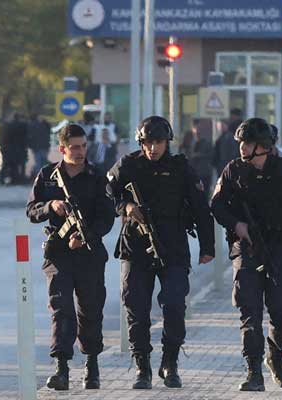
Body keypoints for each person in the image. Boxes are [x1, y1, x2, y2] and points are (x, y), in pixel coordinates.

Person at [210, 117, 282, 392]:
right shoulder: (233, 171)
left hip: (280, 246)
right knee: (249, 309)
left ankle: (276, 353)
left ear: (264, 146)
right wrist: (237, 224)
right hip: (246, 248)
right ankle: (253, 371)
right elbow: (217, 205)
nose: (242, 149)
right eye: (241, 143)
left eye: (247, 144)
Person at [106, 116, 215, 390]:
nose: (153, 148)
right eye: (148, 143)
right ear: (140, 142)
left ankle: (170, 362)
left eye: (159, 143)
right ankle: (142, 366)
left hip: (173, 246)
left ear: (168, 142)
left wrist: (207, 246)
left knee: (175, 305)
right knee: (136, 307)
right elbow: (108, 191)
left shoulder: (181, 168)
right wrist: (126, 206)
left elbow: (201, 207)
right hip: (136, 246)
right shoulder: (129, 165)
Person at [27, 123, 115, 391]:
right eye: (74, 147)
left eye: (83, 146)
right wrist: (50, 206)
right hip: (58, 254)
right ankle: (61, 368)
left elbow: (107, 216)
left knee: (90, 310)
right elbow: (31, 211)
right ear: (62, 149)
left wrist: (87, 236)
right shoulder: (47, 176)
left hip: (88, 253)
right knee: (61, 309)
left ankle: (92, 366)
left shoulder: (97, 176)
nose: (80, 152)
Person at [180, 119, 214, 198]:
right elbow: (183, 152)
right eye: (195, 127)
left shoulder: (206, 141)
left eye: (199, 128)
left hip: (203, 172)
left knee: (204, 194)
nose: (197, 130)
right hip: (192, 172)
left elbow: (210, 155)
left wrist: (198, 155)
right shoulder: (188, 138)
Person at [27, 113, 51, 177]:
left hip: (36, 147)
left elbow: (30, 137)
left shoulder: (31, 125)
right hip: (44, 146)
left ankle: (38, 176)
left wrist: (30, 145)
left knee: (38, 162)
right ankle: (43, 176)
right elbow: (49, 130)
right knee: (43, 161)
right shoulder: (43, 124)